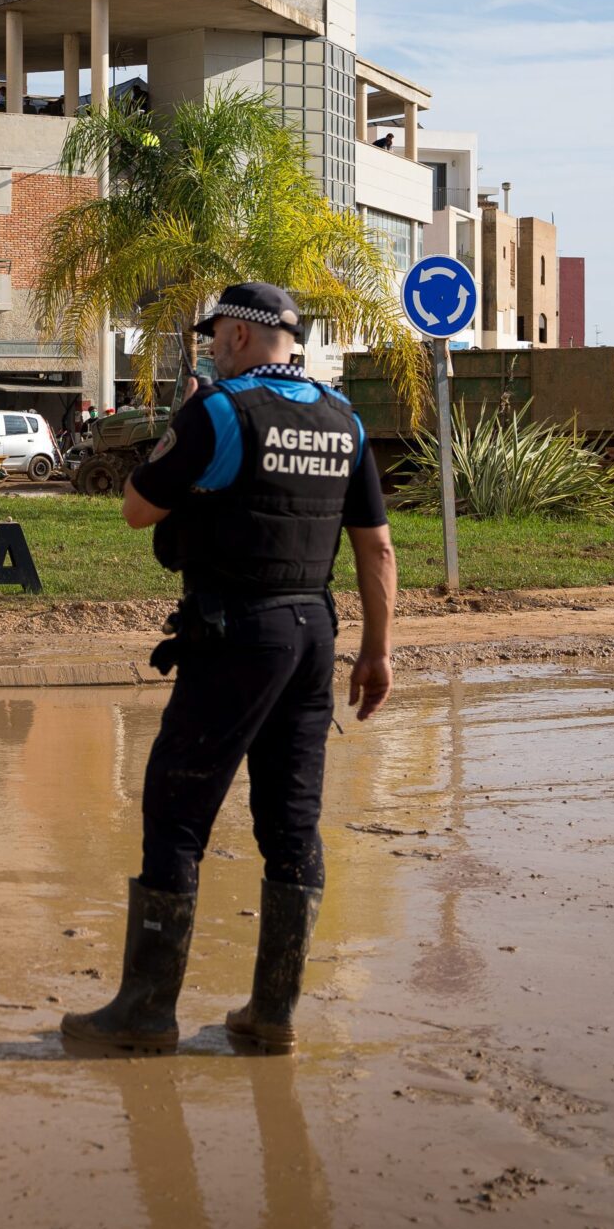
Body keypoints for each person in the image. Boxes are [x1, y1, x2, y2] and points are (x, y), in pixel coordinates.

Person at [63, 282, 397, 1057]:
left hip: (237, 629)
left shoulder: (220, 409)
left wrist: (177, 459)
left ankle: (146, 1011)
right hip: (315, 632)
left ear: (244, 337)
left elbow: (138, 507)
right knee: (291, 818)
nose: (212, 345)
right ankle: (273, 1011)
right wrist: (378, 651)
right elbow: (375, 546)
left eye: (217, 334)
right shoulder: (342, 417)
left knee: (176, 810)